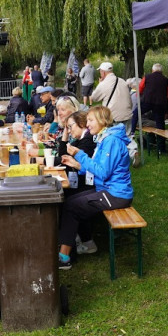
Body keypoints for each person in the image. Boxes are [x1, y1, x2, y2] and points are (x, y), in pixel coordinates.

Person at [58, 106, 133, 269]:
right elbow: (97, 168)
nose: (88, 124)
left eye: (91, 120)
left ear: (102, 121)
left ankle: (64, 257)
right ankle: (78, 245)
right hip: (107, 190)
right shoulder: (104, 138)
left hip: (117, 194)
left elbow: (103, 172)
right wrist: (77, 165)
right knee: (70, 200)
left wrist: (79, 154)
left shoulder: (111, 140)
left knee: (72, 206)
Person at [138, 63, 168, 130]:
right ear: (161, 71)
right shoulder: (165, 79)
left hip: (148, 102)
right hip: (160, 103)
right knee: (160, 122)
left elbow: (140, 88)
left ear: (152, 70)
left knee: (138, 114)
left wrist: (140, 95)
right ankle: (161, 139)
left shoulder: (147, 77)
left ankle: (133, 132)